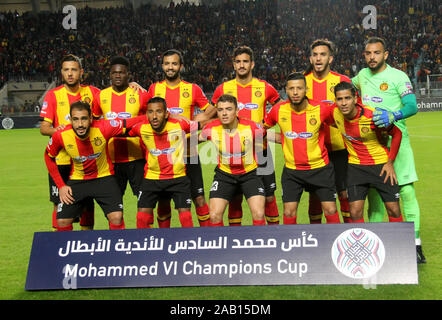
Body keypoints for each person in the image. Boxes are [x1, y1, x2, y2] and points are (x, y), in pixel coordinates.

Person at [352, 37, 425, 263]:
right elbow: (341, 86)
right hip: (372, 145)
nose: (371, 57)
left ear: (385, 55)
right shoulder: (361, 77)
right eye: (368, 53)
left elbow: (412, 106)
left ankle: (414, 244)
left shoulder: (398, 77)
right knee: (374, 197)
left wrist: (394, 115)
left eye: (376, 53)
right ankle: (375, 244)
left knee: (406, 193)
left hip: (397, 142)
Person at [44, 101, 143, 231]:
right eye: (76, 119)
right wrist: (61, 186)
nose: (80, 124)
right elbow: (48, 156)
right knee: (62, 221)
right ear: (70, 120)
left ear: (91, 118)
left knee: (116, 217)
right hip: (78, 180)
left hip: (104, 179)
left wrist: (161, 115)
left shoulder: (103, 127)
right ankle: (70, 251)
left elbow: (130, 122)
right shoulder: (61, 135)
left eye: (84, 119)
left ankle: (118, 249)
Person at [211, 46, 280, 226]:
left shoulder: (265, 87)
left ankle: (275, 237)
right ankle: (237, 241)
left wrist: (267, 126)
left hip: (261, 151)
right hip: (233, 151)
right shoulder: (223, 89)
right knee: (234, 199)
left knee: (270, 197)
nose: (242, 65)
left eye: (245, 61)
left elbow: (282, 110)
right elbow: (210, 114)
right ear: (233, 65)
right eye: (238, 61)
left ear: (252, 64)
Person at [146, 49, 215, 227]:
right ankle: (164, 241)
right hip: (164, 156)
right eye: (167, 63)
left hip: (188, 153)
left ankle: (206, 239)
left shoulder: (192, 89)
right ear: (162, 66)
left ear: (181, 66)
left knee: (199, 198)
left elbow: (210, 111)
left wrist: (194, 121)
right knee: (163, 202)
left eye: (174, 63)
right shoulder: (155, 88)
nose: (170, 67)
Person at [263, 72, 340, 224]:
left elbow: (338, 124)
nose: (295, 92)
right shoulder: (278, 110)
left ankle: (333, 244)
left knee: (330, 210)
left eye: (299, 88)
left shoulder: (321, 109)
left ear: (306, 89)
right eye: (291, 89)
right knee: (289, 211)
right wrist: (282, 138)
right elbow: (261, 130)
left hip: (320, 169)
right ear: (286, 90)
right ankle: (290, 245)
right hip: (292, 172)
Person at [40, 54, 98, 231]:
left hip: (85, 161)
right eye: (66, 70)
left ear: (81, 72)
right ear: (61, 72)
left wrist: (136, 86)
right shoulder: (53, 95)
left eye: (74, 69)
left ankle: (85, 245)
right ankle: (60, 245)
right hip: (62, 161)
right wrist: (60, 131)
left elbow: (113, 98)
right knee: (59, 203)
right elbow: (44, 128)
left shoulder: (92, 92)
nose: (70, 73)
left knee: (87, 204)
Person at [331, 81, 404, 223]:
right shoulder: (334, 113)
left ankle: (398, 244)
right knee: (355, 212)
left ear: (355, 98)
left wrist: (390, 162)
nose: (344, 103)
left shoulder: (373, 116)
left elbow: (397, 134)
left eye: (347, 98)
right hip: (355, 167)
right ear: (336, 101)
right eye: (339, 99)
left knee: (393, 209)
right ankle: (363, 243)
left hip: (381, 166)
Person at [93, 56, 149, 220]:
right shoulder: (101, 96)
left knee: (145, 204)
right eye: (114, 73)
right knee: (114, 209)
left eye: (122, 73)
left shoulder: (140, 94)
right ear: (109, 75)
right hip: (111, 161)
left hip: (137, 159)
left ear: (128, 75)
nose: (118, 76)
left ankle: (146, 238)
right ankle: (117, 241)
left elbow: (150, 119)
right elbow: (95, 124)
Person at [128, 97, 198, 229]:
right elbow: (119, 129)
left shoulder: (180, 124)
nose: (154, 116)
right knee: (141, 217)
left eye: (159, 112)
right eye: (150, 112)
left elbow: (202, 124)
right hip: (152, 178)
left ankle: (190, 245)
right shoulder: (140, 128)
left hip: (178, 178)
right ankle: (143, 246)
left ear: (166, 114)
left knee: (186, 217)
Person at [199, 94, 266, 226]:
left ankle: (259, 244)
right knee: (214, 216)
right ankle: (220, 245)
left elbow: (266, 137)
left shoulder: (252, 127)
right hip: (224, 175)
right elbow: (194, 140)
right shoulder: (210, 129)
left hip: (250, 175)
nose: (224, 113)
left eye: (229, 109)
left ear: (237, 111)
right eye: (220, 110)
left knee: (258, 213)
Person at [304, 39, 351, 224]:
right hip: (314, 151)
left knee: (344, 193)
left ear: (330, 58)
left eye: (322, 54)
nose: (318, 58)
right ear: (310, 58)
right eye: (315, 55)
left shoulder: (342, 81)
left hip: (340, 148)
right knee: (315, 196)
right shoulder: (302, 82)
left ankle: (347, 235)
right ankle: (315, 240)